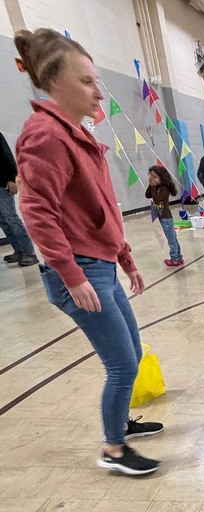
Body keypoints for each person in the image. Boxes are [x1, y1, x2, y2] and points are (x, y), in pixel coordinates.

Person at [14, 27, 162, 475]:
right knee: (120, 366)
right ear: (54, 82)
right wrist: (71, 275)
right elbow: (37, 211)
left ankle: (120, 423)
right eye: (86, 82)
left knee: (133, 354)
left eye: (96, 81)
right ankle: (113, 450)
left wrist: (127, 259)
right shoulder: (46, 136)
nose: (98, 91)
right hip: (78, 271)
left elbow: (98, 210)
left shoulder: (76, 134)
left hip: (99, 264)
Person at [0, 131, 38, 267]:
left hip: (3, 183)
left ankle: (30, 253)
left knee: (11, 218)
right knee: (3, 221)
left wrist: (11, 178)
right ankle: (19, 251)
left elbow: (6, 156)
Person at [145, 165, 184, 268]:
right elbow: (147, 195)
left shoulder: (164, 188)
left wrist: (153, 186)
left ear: (162, 177)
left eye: (155, 177)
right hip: (162, 217)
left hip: (167, 218)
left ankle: (175, 258)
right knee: (172, 238)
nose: (152, 179)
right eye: (151, 176)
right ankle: (178, 257)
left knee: (171, 239)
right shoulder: (156, 187)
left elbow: (157, 200)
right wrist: (151, 185)